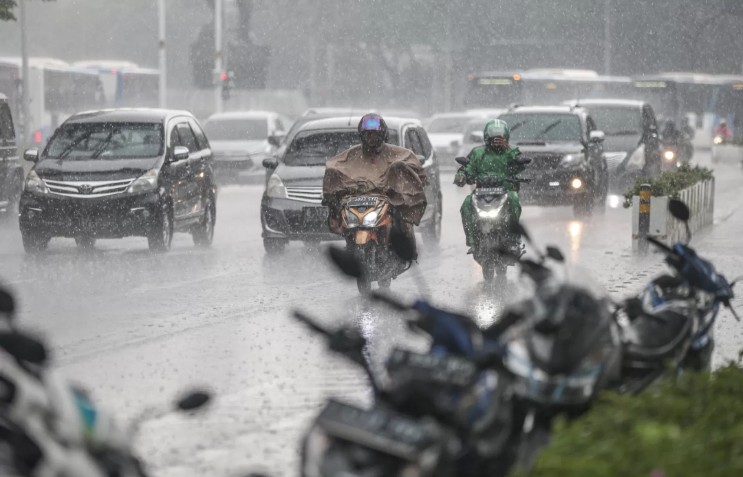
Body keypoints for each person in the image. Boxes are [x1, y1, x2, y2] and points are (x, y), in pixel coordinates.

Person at [322, 113, 428, 258]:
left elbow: (413, 170)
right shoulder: (351, 155)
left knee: (400, 221)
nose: (371, 138)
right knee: (340, 214)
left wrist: (397, 189)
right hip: (357, 201)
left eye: (375, 135)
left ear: (383, 135)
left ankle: (401, 249)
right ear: (362, 135)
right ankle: (350, 243)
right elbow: (334, 168)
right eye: (368, 134)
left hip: (388, 201)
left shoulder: (399, 154)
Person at [456, 119, 527, 254]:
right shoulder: (477, 152)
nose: (496, 141)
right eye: (493, 138)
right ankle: (472, 240)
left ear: (506, 137)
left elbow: (520, 162)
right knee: (466, 204)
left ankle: (513, 238)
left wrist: (515, 158)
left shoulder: (512, 151)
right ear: (486, 137)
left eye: (499, 138)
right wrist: (462, 176)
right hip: (481, 192)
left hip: (505, 191)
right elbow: (467, 167)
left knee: (514, 199)